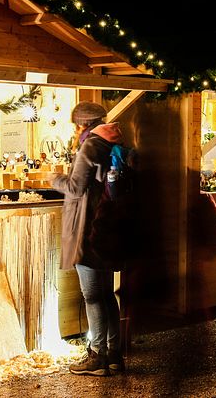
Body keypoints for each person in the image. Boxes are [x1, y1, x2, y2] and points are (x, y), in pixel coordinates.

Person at [50, 101, 126, 376]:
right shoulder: (113, 142)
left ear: (81, 124)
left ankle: (96, 356)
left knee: (92, 296)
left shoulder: (90, 146)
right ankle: (114, 353)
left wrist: (53, 178)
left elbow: (75, 187)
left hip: (88, 228)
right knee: (107, 295)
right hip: (107, 227)